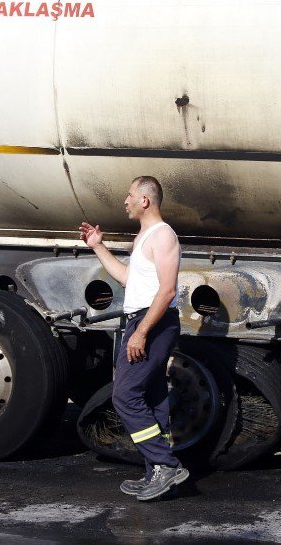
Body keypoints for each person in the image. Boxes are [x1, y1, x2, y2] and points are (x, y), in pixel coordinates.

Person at [79, 175, 188, 501]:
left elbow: (166, 290)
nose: (124, 201)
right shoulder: (143, 237)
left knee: (124, 396)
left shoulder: (163, 236)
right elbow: (129, 278)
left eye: (129, 195)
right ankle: (156, 472)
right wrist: (98, 246)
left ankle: (166, 464)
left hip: (153, 323)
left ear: (145, 200)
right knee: (152, 398)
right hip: (142, 319)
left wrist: (140, 331)